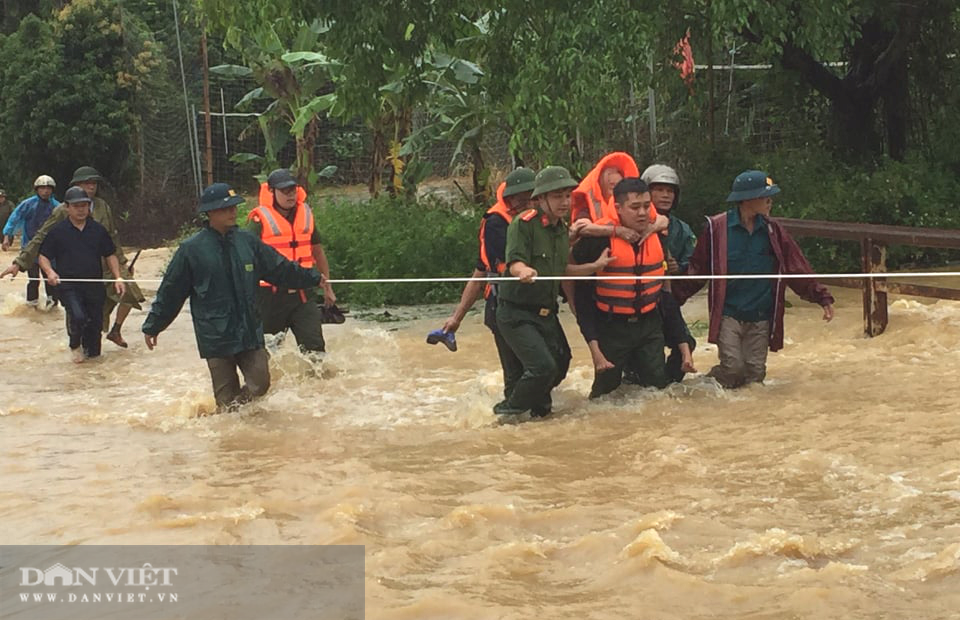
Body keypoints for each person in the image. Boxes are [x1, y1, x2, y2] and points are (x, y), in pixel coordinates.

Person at [142, 183, 324, 411]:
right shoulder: (191, 250)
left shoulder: (247, 242)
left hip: (248, 329)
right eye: (225, 208)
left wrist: (312, 277)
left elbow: (280, 269)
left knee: (261, 383)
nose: (233, 212)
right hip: (215, 336)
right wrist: (153, 326)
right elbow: (171, 293)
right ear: (210, 213)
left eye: (234, 207)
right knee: (226, 400)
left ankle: (236, 414)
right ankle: (231, 431)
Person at [673, 170, 835, 388]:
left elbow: (796, 267)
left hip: (761, 314)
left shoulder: (773, 230)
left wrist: (821, 297)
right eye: (765, 196)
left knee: (755, 376)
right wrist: (672, 298)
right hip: (728, 313)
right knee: (732, 368)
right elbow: (697, 269)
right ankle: (703, 389)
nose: (770, 201)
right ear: (747, 200)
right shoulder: (717, 228)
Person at [494, 166, 614, 418]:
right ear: (541, 199)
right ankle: (506, 413)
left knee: (560, 364)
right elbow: (514, 261)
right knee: (542, 367)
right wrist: (523, 271)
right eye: (558, 196)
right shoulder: (523, 224)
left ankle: (535, 409)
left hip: (546, 313)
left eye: (568, 195)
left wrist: (595, 266)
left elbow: (562, 269)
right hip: (516, 313)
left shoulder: (561, 230)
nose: (565, 201)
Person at [572, 177, 694, 397]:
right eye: (635, 207)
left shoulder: (657, 235)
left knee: (655, 392)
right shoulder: (596, 240)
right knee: (604, 396)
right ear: (618, 208)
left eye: (647, 206)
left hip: (649, 324)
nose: (642, 213)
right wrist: (594, 347)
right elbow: (581, 296)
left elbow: (664, 295)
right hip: (611, 326)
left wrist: (683, 344)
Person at [1, 167, 145, 346]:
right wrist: (19, 263)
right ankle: (78, 345)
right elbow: (42, 236)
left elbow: (111, 237)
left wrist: (122, 263)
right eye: (86, 183)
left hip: (104, 266)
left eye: (93, 183)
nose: (91, 186)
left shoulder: (102, 206)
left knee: (128, 294)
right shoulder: (63, 210)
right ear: (76, 186)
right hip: (74, 268)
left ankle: (114, 331)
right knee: (80, 312)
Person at [432, 167, 536, 400]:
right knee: (516, 372)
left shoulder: (541, 220)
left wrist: (456, 318)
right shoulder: (496, 223)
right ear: (509, 198)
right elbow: (492, 270)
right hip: (502, 306)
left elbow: (478, 273)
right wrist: (457, 317)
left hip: (532, 305)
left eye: (531, 198)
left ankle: (535, 412)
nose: (527, 204)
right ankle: (512, 418)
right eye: (521, 199)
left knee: (546, 365)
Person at [246, 168, 336, 356]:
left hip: (303, 295)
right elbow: (246, 258)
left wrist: (328, 287)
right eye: (284, 191)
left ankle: (318, 385)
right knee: (267, 354)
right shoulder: (258, 220)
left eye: (293, 190)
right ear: (271, 192)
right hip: (269, 298)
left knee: (316, 351)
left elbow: (318, 252)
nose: (290, 195)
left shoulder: (306, 214)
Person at [37, 187, 124, 363]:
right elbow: (43, 256)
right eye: (76, 206)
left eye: (84, 205)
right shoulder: (58, 231)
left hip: (94, 286)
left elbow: (110, 255)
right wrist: (50, 272)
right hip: (69, 286)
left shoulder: (98, 230)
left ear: (89, 207)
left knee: (95, 326)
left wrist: (118, 277)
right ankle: (74, 345)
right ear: (67, 207)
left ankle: (92, 368)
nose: (81, 209)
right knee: (78, 316)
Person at [640, 164, 698, 383]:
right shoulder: (631, 224)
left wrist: (679, 268)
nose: (666, 195)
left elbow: (693, 262)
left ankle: (668, 387)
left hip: (667, 299)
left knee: (686, 344)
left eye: (670, 190)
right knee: (646, 355)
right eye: (659, 190)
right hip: (638, 302)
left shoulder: (682, 229)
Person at [2, 175, 60, 308]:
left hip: (50, 250)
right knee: (33, 279)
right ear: (37, 189)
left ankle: (53, 306)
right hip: (30, 247)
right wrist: (6, 237)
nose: (45, 191)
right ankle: (31, 307)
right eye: (42, 188)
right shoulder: (28, 204)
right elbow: (14, 219)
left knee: (50, 279)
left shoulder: (57, 207)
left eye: (48, 188)